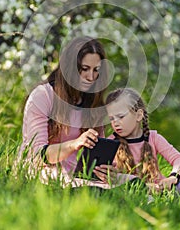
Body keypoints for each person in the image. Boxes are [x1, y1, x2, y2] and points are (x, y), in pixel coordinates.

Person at [17, 36, 110, 187]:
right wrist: (75, 144)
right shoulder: (43, 96)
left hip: (74, 175)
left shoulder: (92, 103)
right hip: (39, 172)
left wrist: (103, 170)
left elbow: (93, 158)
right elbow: (37, 156)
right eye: (85, 69)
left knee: (124, 181)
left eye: (96, 70)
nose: (91, 77)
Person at [93, 88, 180, 199]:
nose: (115, 122)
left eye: (121, 116)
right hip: (134, 192)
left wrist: (173, 177)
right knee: (148, 199)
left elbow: (179, 159)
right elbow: (108, 176)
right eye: (111, 118)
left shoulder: (153, 138)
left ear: (139, 115)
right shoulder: (110, 143)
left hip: (162, 189)